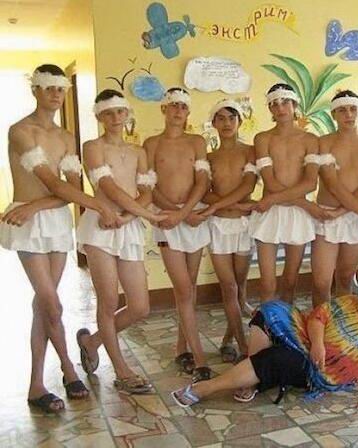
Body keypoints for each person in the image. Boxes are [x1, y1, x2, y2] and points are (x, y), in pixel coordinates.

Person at [0, 64, 118, 413]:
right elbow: (52, 182)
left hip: (52, 220)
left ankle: (36, 384)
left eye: (60, 88)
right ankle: (68, 368)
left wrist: (38, 206)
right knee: (51, 303)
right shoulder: (20, 131)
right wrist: (98, 205)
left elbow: (69, 189)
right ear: (35, 90)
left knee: (43, 305)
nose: (55, 94)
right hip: (27, 223)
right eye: (48, 87)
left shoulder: (66, 137)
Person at [171, 274, 358, 407]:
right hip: (306, 338)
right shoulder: (351, 302)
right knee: (269, 311)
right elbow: (318, 317)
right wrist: (317, 344)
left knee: (277, 358)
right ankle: (252, 381)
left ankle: (206, 388)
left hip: (318, 370)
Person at [75, 89, 165, 394]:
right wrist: (147, 216)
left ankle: (91, 342)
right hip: (99, 227)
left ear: (127, 114)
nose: (115, 118)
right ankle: (122, 372)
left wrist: (128, 218)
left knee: (139, 306)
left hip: (126, 225)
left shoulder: (139, 151)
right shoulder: (92, 147)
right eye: (108, 113)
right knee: (109, 301)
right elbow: (107, 186)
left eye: (120, 111)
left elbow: (147, 191)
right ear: (100, 116)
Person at [144, 87, 213, 380]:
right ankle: (199, 358)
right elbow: (148, 185)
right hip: (166, 220)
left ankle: (180, 348)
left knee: (190, 287)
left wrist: (184, 213)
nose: (178, 111)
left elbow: (203, 180)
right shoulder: (152, 144)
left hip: (192, 218)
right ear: (163, 109)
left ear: (188, 112)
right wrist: (174, 213)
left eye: (183, 107)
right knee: (183, 289)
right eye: (173, 105)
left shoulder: (196, 142)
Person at [249, 83, 320, 303]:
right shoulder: (262, 139)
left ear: (294, 104)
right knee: (267, 283)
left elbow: (310, 183)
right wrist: (302, 202)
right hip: (270, 212)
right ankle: (266, 323)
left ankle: (286, 324)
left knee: (290, 281)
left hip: (295, 214)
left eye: (285, 102)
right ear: (270, 108)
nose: (280, 108)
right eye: (274, 104)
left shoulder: (310, 140)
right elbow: (269, 181)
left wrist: (276, 199)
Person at [312, 90, 358, 307]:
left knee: (345, 278)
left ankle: (341, 325)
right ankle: (320, 325)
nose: (349, 114)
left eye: (353, 109)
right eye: (342, 110)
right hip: (327, 215)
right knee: (321, 282)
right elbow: (332, 183)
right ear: (334, 115)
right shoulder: (323, 143)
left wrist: (345, 212)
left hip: (353, 217)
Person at [199, 98, 258, 363]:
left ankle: (227, 339)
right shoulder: (209, 158)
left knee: (240, 287)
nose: (226, 123)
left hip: (244, 226)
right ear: (213, 123)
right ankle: (243, 346)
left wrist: (223, 205)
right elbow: (205, 192)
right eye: (221, 118)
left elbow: (248, 185)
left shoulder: (250, 152)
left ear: (239, 121)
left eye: (231, 118)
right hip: (219, 226)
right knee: (229, 286)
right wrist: (226, 206)